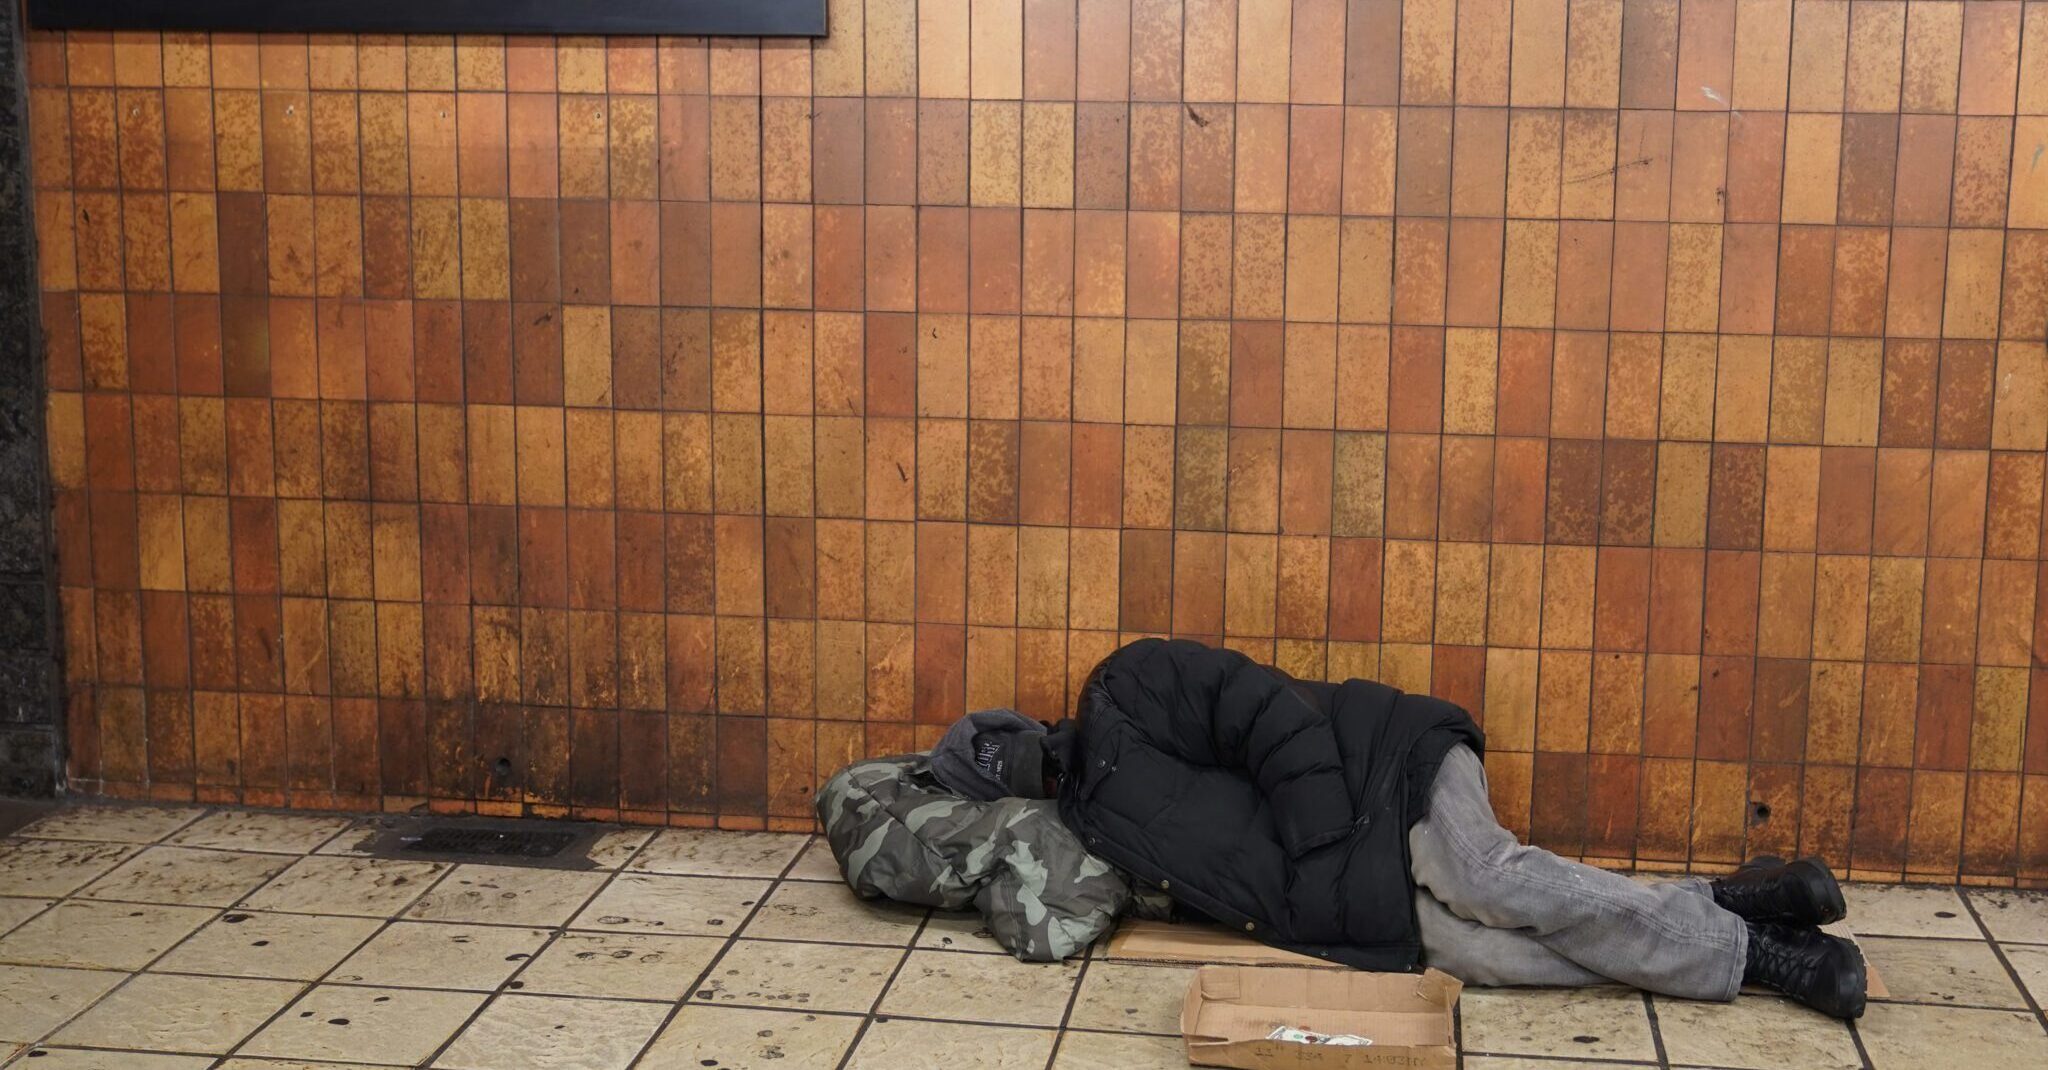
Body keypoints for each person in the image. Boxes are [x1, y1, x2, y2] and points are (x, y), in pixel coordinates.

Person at [920, 638, 1866, 1020]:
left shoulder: (1119, 687)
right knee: (1488, 957)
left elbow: (1266, 713)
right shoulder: (1087, 827)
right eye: (996, 778)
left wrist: (1327, 842)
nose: (1018, 767)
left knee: (1487, 878)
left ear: (1029, 724)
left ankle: (1750, 952)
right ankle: (1731, 906)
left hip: (1388, 765)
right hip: (1348, 887)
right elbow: (1058, 922)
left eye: (1005, 748)